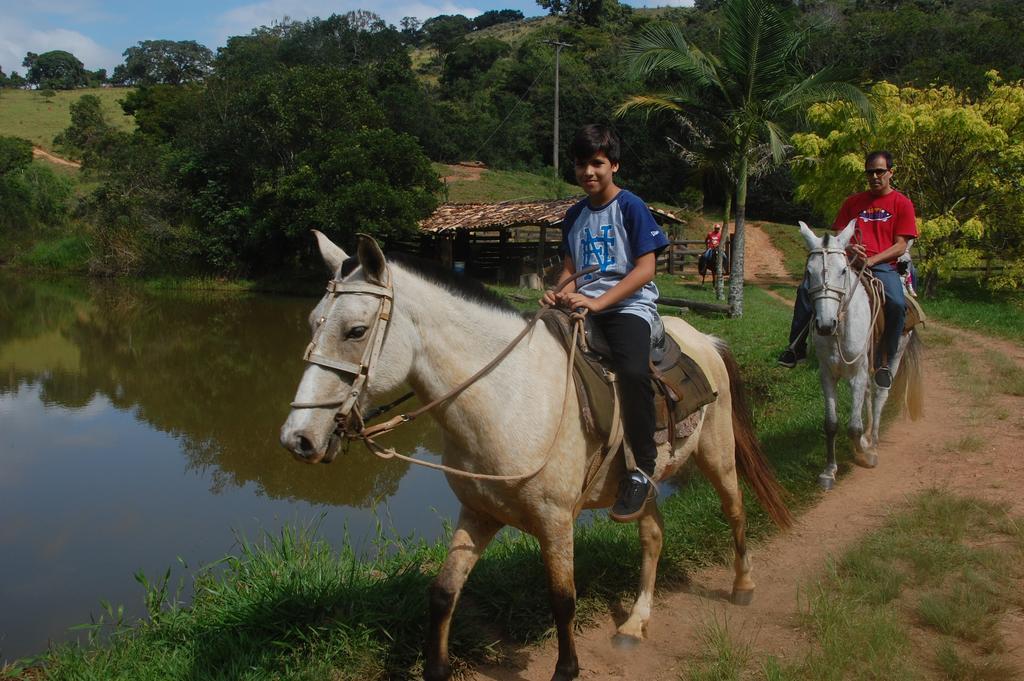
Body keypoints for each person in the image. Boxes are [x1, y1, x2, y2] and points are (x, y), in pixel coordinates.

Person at [542, 124, 670, 523]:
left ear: (614, 164)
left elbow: (645, 268)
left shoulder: (631, 206)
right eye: (581, 164)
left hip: (626, 306)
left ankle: (643, 467)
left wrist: (598, 302)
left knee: (632, 370)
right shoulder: (574, 214)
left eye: (597, 163)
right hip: (582, 304)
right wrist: (557, 291)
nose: (588, 172)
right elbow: (569, 267)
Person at [777, 150, 918, 389]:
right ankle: (796, 347)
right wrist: (852, 250)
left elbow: (901, 244)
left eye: (880, 171)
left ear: (890, 173)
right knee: (806, 290)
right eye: (870, 172)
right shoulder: (853, 202)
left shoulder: (901, 203)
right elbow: (839, 237)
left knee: (895, 302)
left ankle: (885, 360)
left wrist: (872, 261)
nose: (874, 176)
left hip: (883, 266)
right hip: (849, 263)